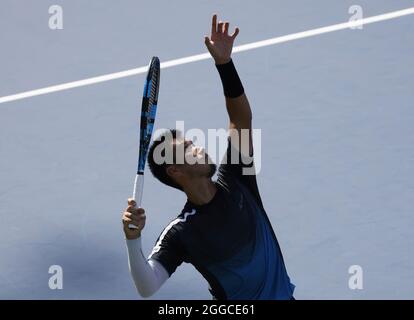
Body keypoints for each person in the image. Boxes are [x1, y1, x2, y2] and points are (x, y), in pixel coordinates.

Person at [122, 14, 295, 300]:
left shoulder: (237, 178)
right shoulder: (182, 232)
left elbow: (241, 118)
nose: (199, 146)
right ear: (175, 170)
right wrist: (132, 240)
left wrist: (224, 64)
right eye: (189, 147)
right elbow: (147, 286)